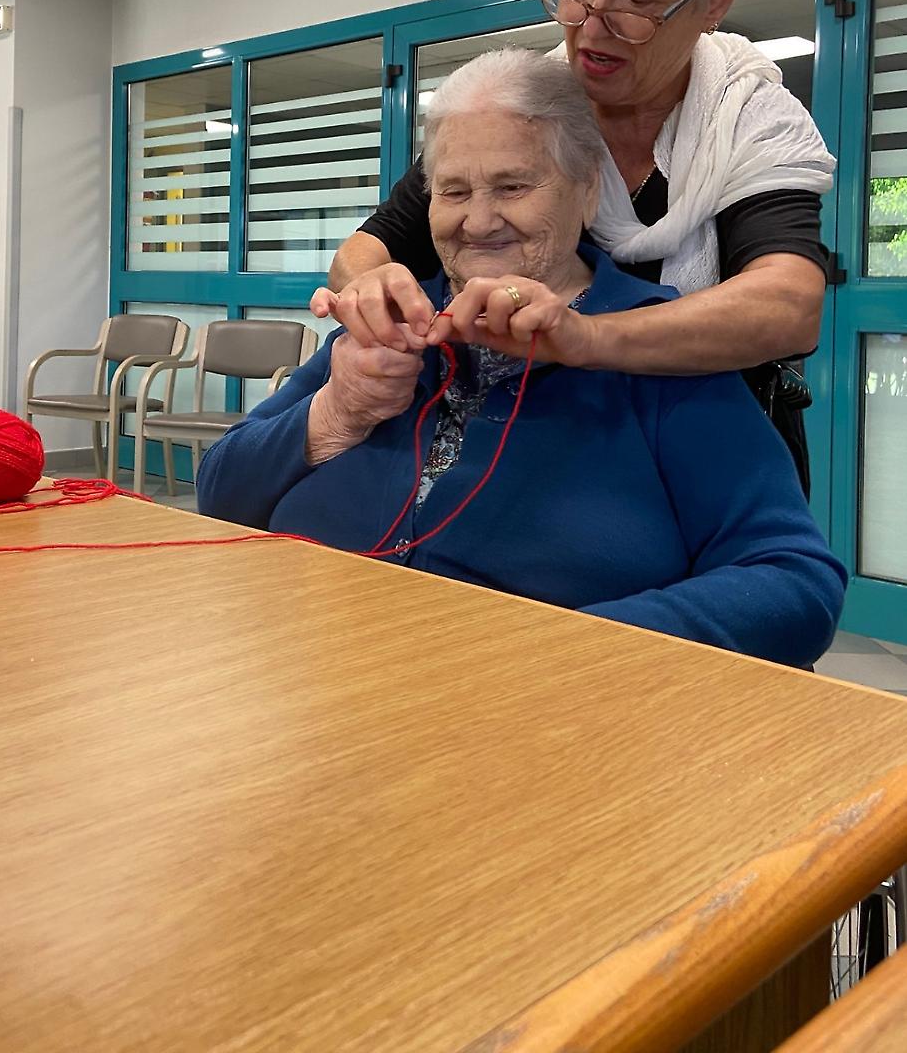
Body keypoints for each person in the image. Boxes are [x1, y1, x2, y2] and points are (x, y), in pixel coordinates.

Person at [199, 51, 845, 668]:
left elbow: (794, 584)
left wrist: (566, 650)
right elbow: (220, 494)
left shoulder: (654, 347)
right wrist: (335, 416)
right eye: (453, 192)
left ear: (588, 192)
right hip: (315, 679)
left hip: (537, 723)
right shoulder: (391, 328)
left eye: (513, 186)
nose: (479, 222)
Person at [315, 0, 835, 495]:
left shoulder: (750, 118)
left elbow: (787, 305)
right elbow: (369, 248)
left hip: (706, 443)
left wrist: (583, 338)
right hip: (546, 450)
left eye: (639, 1)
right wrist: (372, 292)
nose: (591, 24)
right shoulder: (520, 106)